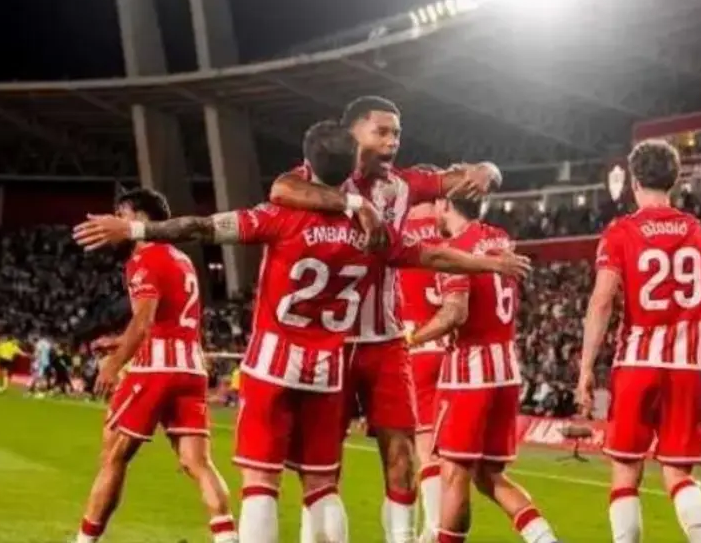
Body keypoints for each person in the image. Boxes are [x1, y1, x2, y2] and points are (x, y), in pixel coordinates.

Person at [75, 120, 530, 543]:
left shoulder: (278, 216)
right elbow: (433, 257)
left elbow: (201, 226)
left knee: (260, 481)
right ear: (349, 169)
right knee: (320, 484)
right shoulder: (374, 234)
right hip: (326, 367)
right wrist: (492, 263)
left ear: (307, 167)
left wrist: (136, 228)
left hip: (274, 362)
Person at [269, 97, 503, 543]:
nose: (393, 140)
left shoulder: (404, 184)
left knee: (401, 454)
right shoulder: (319, 178)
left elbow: (477, 176)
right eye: (382, 131)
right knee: (322, 464)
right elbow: (281, 189)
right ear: (352, 133)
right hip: (329, 340)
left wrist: (486, 171)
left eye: (397, 132)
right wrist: (352, 203)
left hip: (386, 339)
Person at [576, 139, 701, 543]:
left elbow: (601, 302)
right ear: (675, 179)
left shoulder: (621, 232)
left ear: (634, 181)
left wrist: (584, 369)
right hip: (687, 366)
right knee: (678, 473)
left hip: (635, 363)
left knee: (626, 471)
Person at [71, 187, 238, 543]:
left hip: (155, 370)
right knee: (198, 462)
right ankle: (228, 539)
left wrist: (113, 364)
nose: (116, 221)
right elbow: (169, 319)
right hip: (191, 369)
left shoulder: (144, 258)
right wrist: (120, 340)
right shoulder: (181, 258)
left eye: (122, 213)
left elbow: (145, 322)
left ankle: (85, 541)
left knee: (113, 455)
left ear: (142, 218)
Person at [407, 193, 558, 543]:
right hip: (506, 368)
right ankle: (544, 539)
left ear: (445, 204)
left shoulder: (457, 250)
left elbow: (454, 312)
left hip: (469, 372)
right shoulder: (500, 238)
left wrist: (413, 338)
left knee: (453, 475)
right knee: (489, 477)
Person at [398, 195, 446, 540]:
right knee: (452, 455)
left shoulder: (399, 234)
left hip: (414, 349)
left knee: (419, 449)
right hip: (451, 351)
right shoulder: (452, 236)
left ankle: (429, 530)